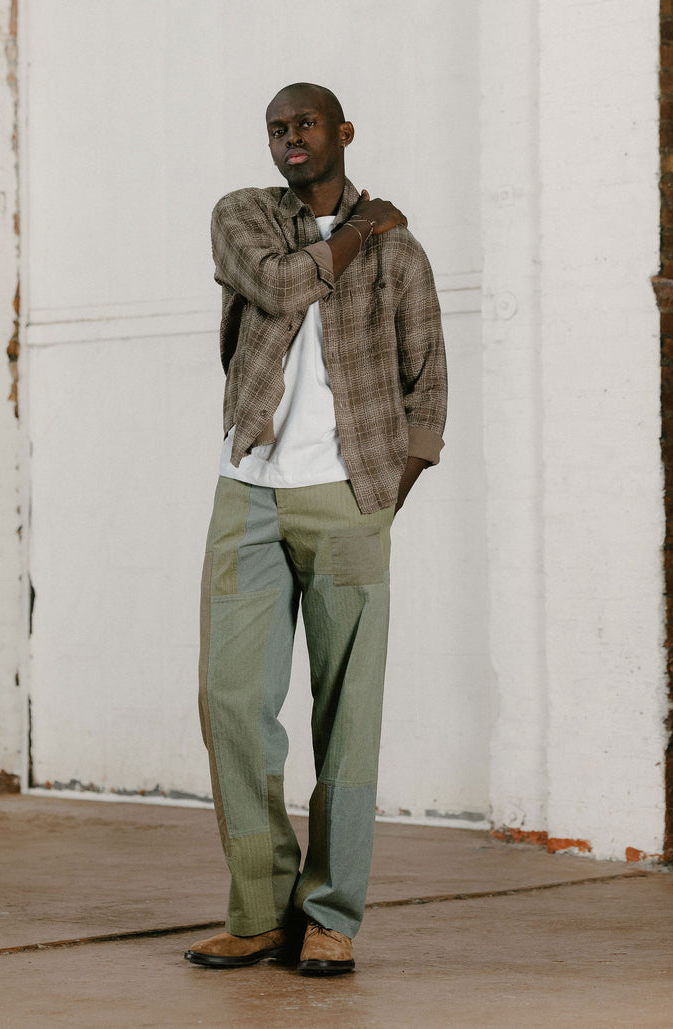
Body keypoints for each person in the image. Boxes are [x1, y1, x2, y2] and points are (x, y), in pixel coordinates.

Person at [185, 83, 447, 976]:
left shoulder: (402, 254)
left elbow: (429, 379)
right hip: (248, 488)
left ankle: (331, 915)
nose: (288, 139)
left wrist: (387, 488)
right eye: (275, 128)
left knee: (349, 715)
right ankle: (260, 909)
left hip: (347, 497)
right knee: (231, 702)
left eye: (304, 124)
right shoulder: (245, 215)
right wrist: (360, 231)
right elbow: (280, 282)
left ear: (341, 132)